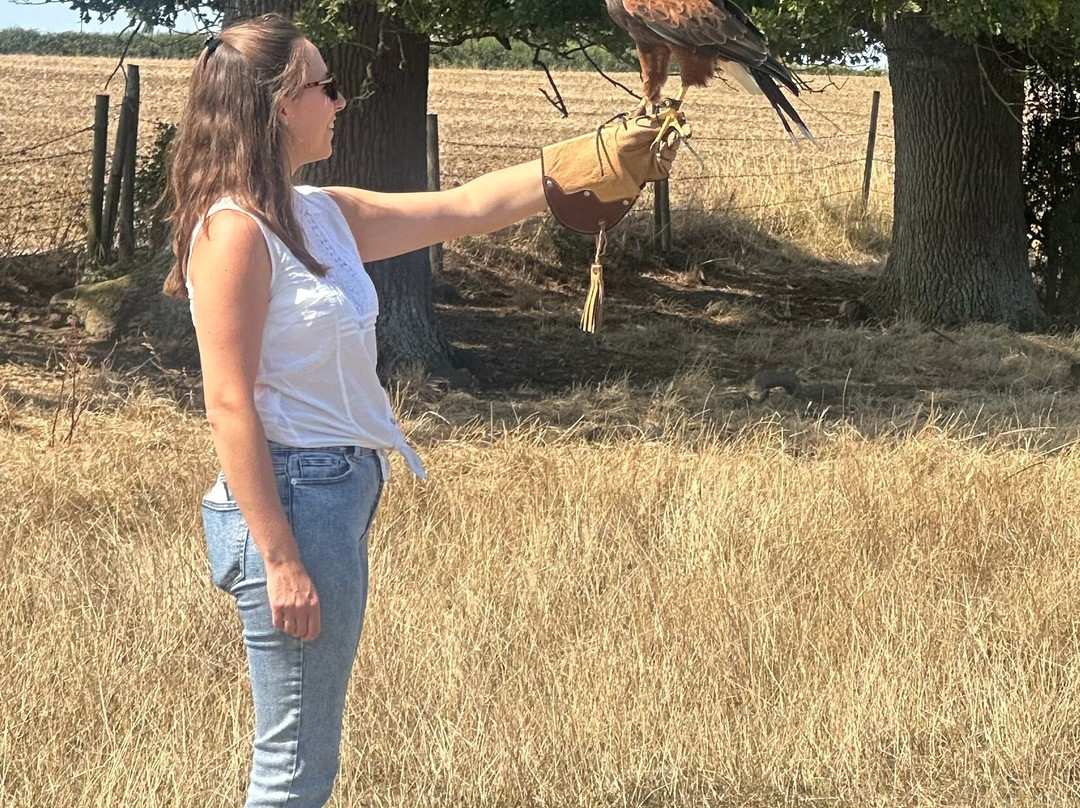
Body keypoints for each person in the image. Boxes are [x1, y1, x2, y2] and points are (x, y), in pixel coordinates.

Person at [163, 13, 684, 808]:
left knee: (305, 755)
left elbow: (466, 206)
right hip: (291, 500)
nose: (340, 101)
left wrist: (580, 165)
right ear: (276, 103)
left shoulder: (320, 213)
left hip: (333, 493)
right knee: (294, 767)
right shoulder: (234, 232)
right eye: (323, 85)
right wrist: (280, 559)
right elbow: (228, 404)